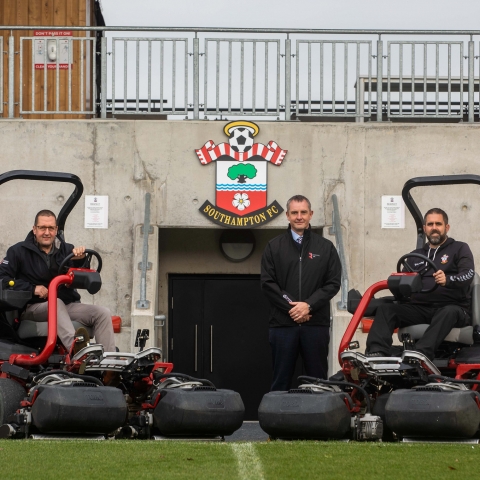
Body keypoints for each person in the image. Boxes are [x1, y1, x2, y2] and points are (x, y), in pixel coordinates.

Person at [366, 208, 475, 360]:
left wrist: (448, 280)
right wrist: (399, 287)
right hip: (421, 308)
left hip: (453, 308)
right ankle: (376, 353)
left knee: (448, 312)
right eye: (430, 224)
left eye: (438, 224)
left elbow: (468, 275)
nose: (434, 228)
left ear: (446, 227)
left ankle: (420, 355)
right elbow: (404, 281)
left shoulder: (459, 248)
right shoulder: (415, 255)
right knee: (387, 309)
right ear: (424, 229)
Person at [0, 209, 116, 353]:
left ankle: (109, 366)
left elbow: (82, 278)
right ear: (34, 229)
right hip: (33, 308)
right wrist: (32, 288)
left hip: (66, 305)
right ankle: (76, 352)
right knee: (56, 303)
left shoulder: (67, 250)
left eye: (51, 228)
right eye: (42, 228)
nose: (47, 232)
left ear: (56, 230)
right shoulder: (18, 251)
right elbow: (2, 278)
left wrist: (81, 262)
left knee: (102, 313)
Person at [261, 195, 342, 391]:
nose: (299, 217)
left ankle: (317, 420)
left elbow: (332, 283)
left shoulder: (326, 247)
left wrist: (308, 305)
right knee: (281, 380)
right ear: (287, 215)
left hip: (315, 324)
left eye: (303, 212)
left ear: (310, 214)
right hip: (282, 325)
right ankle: (278, 420)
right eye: (295, 213)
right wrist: (293, 308)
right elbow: (268, 283)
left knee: (318, 382)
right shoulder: (274, 247)